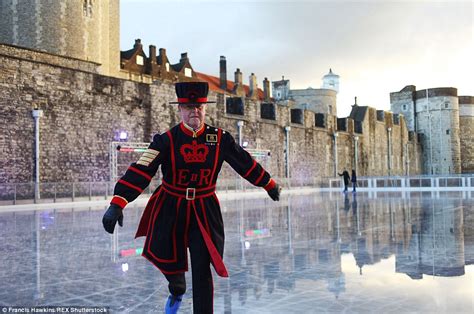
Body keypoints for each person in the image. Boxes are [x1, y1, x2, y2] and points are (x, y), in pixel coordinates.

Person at [102, 81, 281, 314]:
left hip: (204, 210)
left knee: (202, 268)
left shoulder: (220, 139)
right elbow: (141, 169)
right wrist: (118, 202)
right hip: (171, 207)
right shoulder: (165, 140)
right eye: (189, 107)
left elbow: (244, 162)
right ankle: (176, 289)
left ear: (205, 108)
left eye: (199, 107)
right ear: (180, 110)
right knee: (173, 270)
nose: (194, 111)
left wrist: (268, 183)